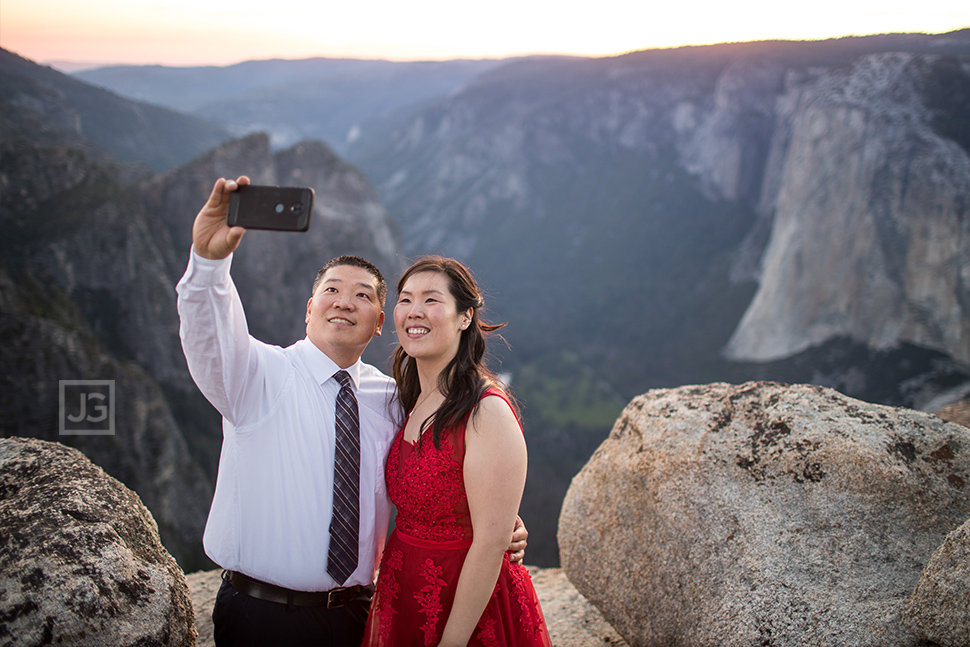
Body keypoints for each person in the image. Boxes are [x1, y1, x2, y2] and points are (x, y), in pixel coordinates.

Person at [176, 176, 527, 647]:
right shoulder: (257, 376)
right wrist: (208, 263)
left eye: (363, 295)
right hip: (262, 617)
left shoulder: (395, 398)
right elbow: (208, 334)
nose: (345, 301)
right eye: (332, 290)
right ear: (308, 308)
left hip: (361, 616)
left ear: (382, 322)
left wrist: (499, 522)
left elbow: (451, 461)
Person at [361, 256, 553, 647]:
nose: (415, 311)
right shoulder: (412, 397)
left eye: (431, 300)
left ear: (465, 316)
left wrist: (452, 641)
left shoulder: (487, 410)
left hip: (468, 607)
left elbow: (489, 541)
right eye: (405, 299)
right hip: (404, 592)